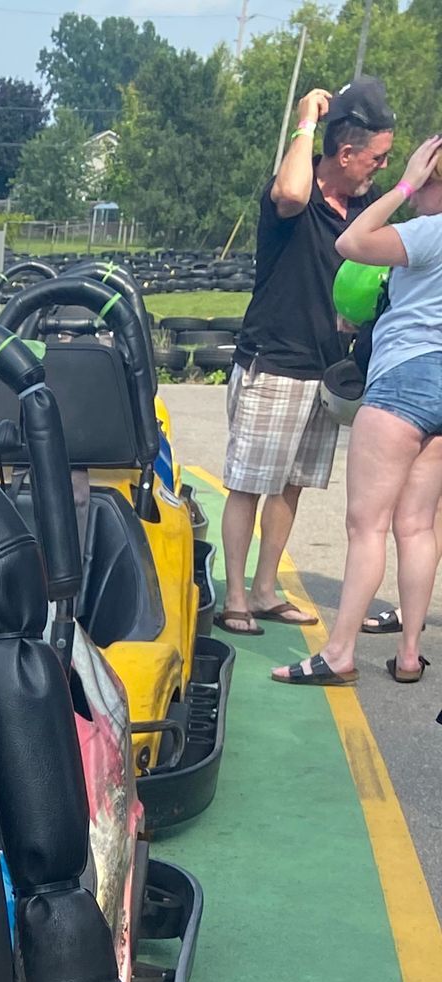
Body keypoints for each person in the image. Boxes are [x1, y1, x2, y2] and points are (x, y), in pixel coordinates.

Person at [220, 78, 396, 638]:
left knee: (291, 485)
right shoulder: (292, 197)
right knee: (249, 483)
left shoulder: (362, 204)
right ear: (343, 154)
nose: (379, 169)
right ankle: (237, 597)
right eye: (376, 158)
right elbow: (293, 192)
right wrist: (305, 122)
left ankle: (267, 588)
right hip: (273, 358)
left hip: (324, 367)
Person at [276, 133, 442, 685]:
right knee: (417, 525)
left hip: (404, 378)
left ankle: (340, 652)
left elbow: (350, 241)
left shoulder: (428, 230)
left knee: (366, 524)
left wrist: (402, 186)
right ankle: (411, 653)